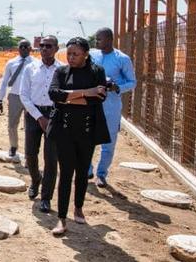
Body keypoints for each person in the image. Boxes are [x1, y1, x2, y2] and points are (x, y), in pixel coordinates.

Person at [48, 37, 110, 236]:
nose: (71, 57)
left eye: (75, 54)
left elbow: (99, 98)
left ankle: (79, 208)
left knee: (82, 172)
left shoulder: (97, 71)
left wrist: (70, 97)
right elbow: (54, 94)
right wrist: (86, 93)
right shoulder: (61, 71)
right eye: (69, 54)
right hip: (64, 130)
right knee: (65, 173)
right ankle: (62, 218)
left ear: (85, 54)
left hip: (87, 130)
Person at [87, 28, 136, 187]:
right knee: (88, 139)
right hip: (91, 104)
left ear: (109, 39)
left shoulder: (122, 59)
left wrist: (116, 87)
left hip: (111, 107)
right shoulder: (92, 56)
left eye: (99, 39)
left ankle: (101, 174)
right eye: (95, 40)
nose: (96, 42)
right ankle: (87, 170)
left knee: (108, 143)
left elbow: (132, 83)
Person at [19, 35, 62, 213]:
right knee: (30, 154)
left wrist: (51, 117)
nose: (44, 49)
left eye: (49, 46)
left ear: (56, 49)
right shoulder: (31, 68)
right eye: (42, 46)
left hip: (54, 114)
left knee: (51, 158)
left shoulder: (63, 70)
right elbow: (24, 95)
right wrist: (39, 117)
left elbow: (65, 94)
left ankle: (46, 197)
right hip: (33, 114)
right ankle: (36, 179)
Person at [0, 40, 34, 157]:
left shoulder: (36, 63)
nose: (23, 49)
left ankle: (29, 151)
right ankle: (13, 146)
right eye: (21, 46)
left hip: (30, 97)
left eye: (26, 46)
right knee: (12, 124)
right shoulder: (11, 63)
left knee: (30, 127)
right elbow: (4, 82)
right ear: (18, 48)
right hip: (14, 97)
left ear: (30, 48)